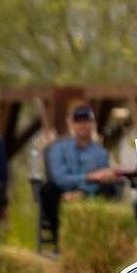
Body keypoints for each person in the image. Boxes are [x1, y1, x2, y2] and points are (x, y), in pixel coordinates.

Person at [41, 103, 123, 243]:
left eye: (86, 121)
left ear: (93, 124)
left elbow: (102, 178)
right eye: (78, 121)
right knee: (47, 189)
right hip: (63, 191)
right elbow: (59, 178)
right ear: (71, 124)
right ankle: (61, 241)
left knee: (109, 188)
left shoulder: (101, 153)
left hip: (90, 193)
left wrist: (83, 192)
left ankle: (98, 241)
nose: (82, 125)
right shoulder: (58, 148)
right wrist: (88, 177)